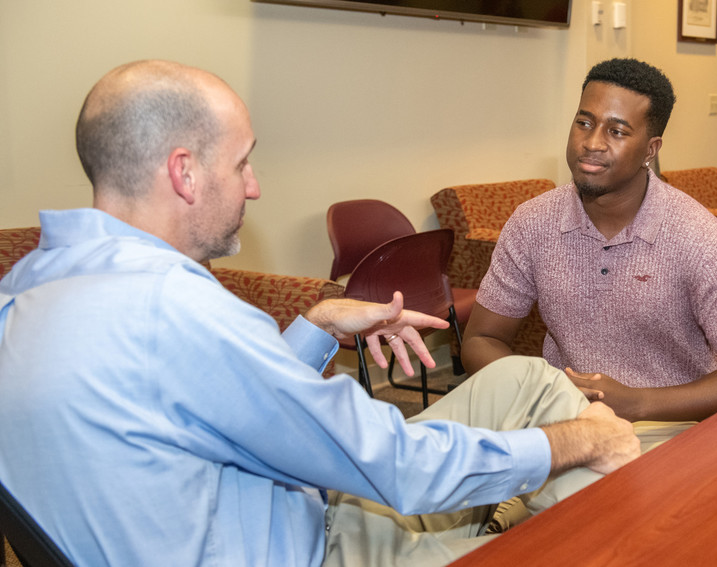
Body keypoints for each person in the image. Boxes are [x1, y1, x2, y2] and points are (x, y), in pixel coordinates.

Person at [0, 60, 640, 567]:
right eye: (242, 161)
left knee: (525, 379)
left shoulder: (28, 286)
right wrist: (579, 440)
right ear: (184, 174)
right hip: (321, 549)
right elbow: (396, 464)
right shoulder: (171, 310)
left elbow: (200, 404)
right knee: (582, 500)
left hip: (262, 515)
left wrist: (313, 330)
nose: (253, 186)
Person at [462, 58, 717, 423]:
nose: (592, 143)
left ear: (651, 149)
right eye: (584, 123)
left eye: (616, 131)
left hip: (670, 427)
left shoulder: (698, 237)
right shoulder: (532, 223)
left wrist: (636, 403)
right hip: (560, 418)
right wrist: (544, 391)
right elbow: (480, 341)